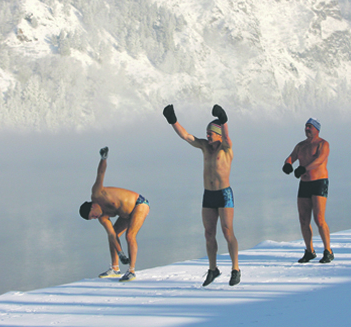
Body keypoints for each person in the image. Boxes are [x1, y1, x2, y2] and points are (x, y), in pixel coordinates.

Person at [163, 104, 241, 287]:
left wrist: (224, 120)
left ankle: (235, 268)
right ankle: (213, 269)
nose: (207, 136)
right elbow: (186, 136)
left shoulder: (226, 148)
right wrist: (173, 120)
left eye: (211, 133)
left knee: (227, 231)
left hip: (224, 194)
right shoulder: (205, 147)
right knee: (208, 233)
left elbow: (227, 137)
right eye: (207, 132)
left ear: (219, 134)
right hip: (208, 195)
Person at [79, 147, 150, 282]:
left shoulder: (97, 193)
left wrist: (103, 158)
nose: (95, 218)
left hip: (139, 205)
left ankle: (131, 271)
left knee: (130, 236)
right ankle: (115, 268)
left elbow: (100, 173)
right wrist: (121, 253)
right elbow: (112, 235)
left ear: (93, 206)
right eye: (92, 219)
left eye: (92, 215)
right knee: (114, 236)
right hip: (125, 215)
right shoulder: (102, 218)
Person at [282, 118, 334, 264]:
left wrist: (304, 168)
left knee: (319, 218)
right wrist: (287, 164)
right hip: (304, 184)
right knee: (303, 219)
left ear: (317, 129)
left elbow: (319, 160)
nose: (307, 129)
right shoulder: (301, 145)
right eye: (305, 126)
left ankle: (328, 251)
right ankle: (309, 251)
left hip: (319, 183)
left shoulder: (323, 144)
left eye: (310, 127)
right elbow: (291, 157)